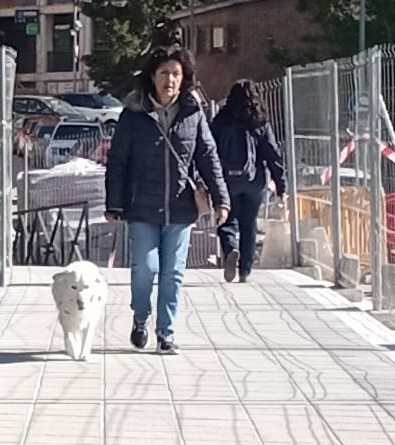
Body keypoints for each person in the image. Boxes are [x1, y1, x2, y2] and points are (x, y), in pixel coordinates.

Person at [103, 45, 227, 352]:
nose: (169, 80)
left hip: (181, 207)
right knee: (146, 267)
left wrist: (221, 199)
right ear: (152, 77)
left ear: (184, 78)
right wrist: (114, 203)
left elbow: (208, 157)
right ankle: (141, 318)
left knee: (173, 272)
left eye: (175, 74)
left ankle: (166, 333)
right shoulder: (134, 115)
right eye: (163, 73)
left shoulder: (193, 114)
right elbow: (117, 161)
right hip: (142, 206)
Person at [210, 80, 287, 283]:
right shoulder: (260, 122)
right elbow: (273, 154)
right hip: (255, 181)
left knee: (227, 219)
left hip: (227, 180)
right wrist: (281, 185)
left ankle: (230, 249)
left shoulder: (221, 121)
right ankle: (245, 270)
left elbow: (209, 151)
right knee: (249, 223)